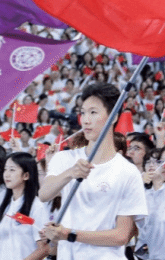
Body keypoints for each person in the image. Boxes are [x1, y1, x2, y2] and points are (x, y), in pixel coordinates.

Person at [39, 82, 148, 260]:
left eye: (93, 112)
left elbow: (121, 236)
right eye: (83, 112)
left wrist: (69, 234)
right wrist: (71, 173)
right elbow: (44, 194)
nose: (85, 120)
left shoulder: (128, 172)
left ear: (113, 117)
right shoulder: (65, 158)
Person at [0, 151, 48, 260]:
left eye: (12, 170)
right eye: (5, 169)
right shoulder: (5, 206)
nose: (6, 174)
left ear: (26, 175)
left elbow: (44, 249)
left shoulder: (36, 206)